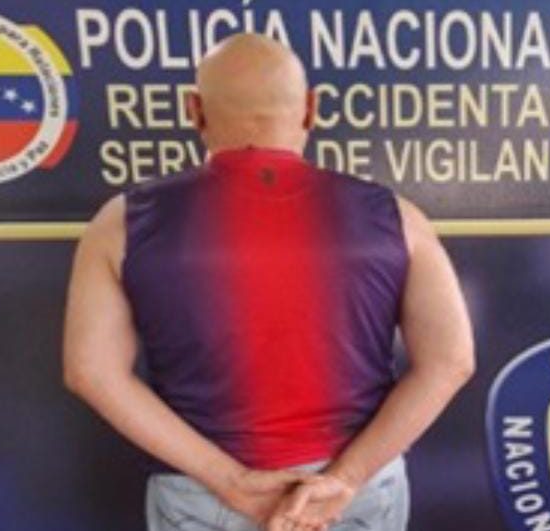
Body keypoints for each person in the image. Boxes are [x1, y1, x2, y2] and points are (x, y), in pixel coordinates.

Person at [61, 33, 475, 531]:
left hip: (203, 493)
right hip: (350, 496)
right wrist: (346, 478)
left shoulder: (122, 222)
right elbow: (451, 360)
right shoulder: (398, 217)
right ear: (311, 109)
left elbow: (91, 371)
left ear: (194, 111)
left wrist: (229, 479)